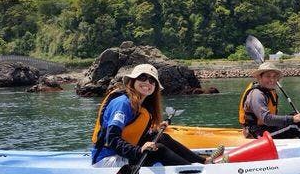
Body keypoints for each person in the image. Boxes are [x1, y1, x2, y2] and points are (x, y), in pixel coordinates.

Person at [91, 64, 224, 167]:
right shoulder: (122, 103)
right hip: (107, 160)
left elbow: (134, 132)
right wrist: (139, 150)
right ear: (133, 81)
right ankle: (193, 170)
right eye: (142, 77)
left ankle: (204, 162)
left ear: (155, 86)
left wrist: (155, 128)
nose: (147, 83)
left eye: (152, 80)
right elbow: (112, 139)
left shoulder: (141, 106)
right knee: (158, 150)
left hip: (123, 154)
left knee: (161, 137)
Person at [239, 62, 300, 139]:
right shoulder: (257, 94)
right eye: (268, 76)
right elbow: (266, 119)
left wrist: (294, 117)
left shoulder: (268, 91)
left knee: (296, 116)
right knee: (294, 125)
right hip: (256, 133)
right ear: (259, 78)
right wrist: (292, 119)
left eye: (274, 77)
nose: (272, 80)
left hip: (266, 127)